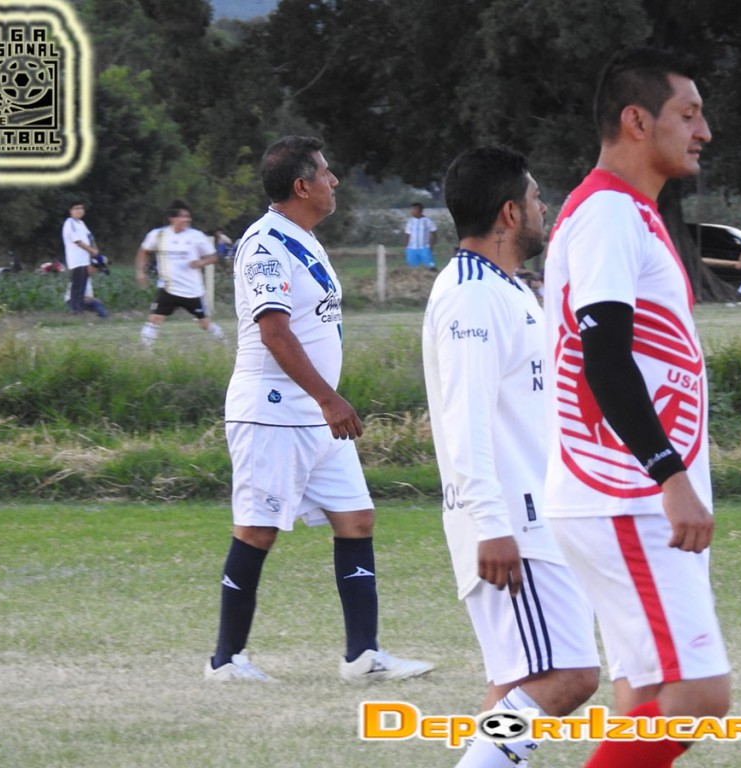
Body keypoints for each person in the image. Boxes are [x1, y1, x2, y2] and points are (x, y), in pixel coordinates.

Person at [542, 49, 731, 768]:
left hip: (622, 496)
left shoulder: (628, 213)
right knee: (699, 694)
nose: (703, 131)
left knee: (648, 693)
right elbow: (605, 358)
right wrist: (669, 474)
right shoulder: (608, 213)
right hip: (625, 496)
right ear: (636, 120)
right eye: (689, 114)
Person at [206, 136, 433, 684]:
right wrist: (329, 398)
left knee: (356, 519)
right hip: (273, 411)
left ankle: (363, 657)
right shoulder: (264, 245)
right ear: (301, 186)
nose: (334, 181)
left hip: (314, 414)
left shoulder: (302, 238)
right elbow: (275, 332)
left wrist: (324, 401)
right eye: (326, 173)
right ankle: (226, 661)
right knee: (257, 530)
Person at [423, 146, 599, 767]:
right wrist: (492, 525)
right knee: (568, 677)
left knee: (515, 684)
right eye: (535, 198)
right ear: (508, 213)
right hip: (510, 522)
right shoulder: (471, 296)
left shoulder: (506, 288)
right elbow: (463, 419)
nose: (543, 208)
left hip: (532, 515)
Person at [135, 201, 225, 345]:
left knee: (204, 323)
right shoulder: (159, 235)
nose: (187, 220)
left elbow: (214, 256)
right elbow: (144, 251)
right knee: (155, 319)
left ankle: (222, 341)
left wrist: (200, 262)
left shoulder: (196, 236)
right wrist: (141, 271)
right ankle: (145, 349)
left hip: (191, 289)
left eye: (188, 217)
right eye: (183, 217)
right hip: (168, 287)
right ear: (172, 219)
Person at [61, 201, 98, 315]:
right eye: (76, 208)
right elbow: (77, 241)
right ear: (71, 211)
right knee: (76, 284)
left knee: (83, 284)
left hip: (84, 259)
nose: (79, 210)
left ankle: (80, 308)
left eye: (81, 208)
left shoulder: (81, 223)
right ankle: (74, 309)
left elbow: (90, 237)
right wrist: (91, 250)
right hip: (76, 259)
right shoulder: (70, 223)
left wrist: (95, 249)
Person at [61, 253, 110, 318]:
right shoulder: (81, 276)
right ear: (92, 266)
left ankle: (102, 316)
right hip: (72, 300)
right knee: (96, 304)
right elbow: (79, 295)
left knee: (97, 303)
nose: (96, 272)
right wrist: (93, 300)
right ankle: (105, 317)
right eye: (97, 270)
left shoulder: (86, 276)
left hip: (78, 299)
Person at [404, 202, 438, 270]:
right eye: (411, 210)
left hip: (424, 248)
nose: (412, 211)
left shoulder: (427, 221)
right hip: (412, 248)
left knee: (430, 267)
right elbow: (407, 234)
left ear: (419, 210)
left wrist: (431, 245)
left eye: (413, 209)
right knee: (412, 268)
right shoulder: (410, 222)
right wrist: (406, 247)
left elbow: (434, 233)